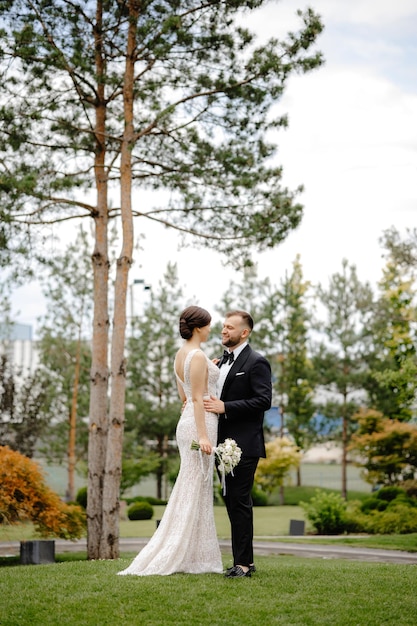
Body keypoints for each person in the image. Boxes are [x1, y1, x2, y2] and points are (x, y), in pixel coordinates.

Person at [118, 305, 223, 576]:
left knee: (193, 484)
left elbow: (185, 395)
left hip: (186, 419)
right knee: (195, 484)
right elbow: (198, 398)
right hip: (200, 424)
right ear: (199, 328)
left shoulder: (181, 354)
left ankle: (190, 553)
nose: (211, 329)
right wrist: (202, 435)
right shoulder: (197, 355)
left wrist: (210, 369)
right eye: (209, 325)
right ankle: (181, 553)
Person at [204, 310, 272, 578]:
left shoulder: (257, 362)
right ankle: (245, 560)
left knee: (239, 501)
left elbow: (263, 401)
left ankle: (243, 564)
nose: (224, 331)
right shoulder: (220, 362)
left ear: (244, 332)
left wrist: (226, 407)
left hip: (244, 445)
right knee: (232, 501)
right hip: (222, 446)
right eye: (223, 326)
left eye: (230, 328)